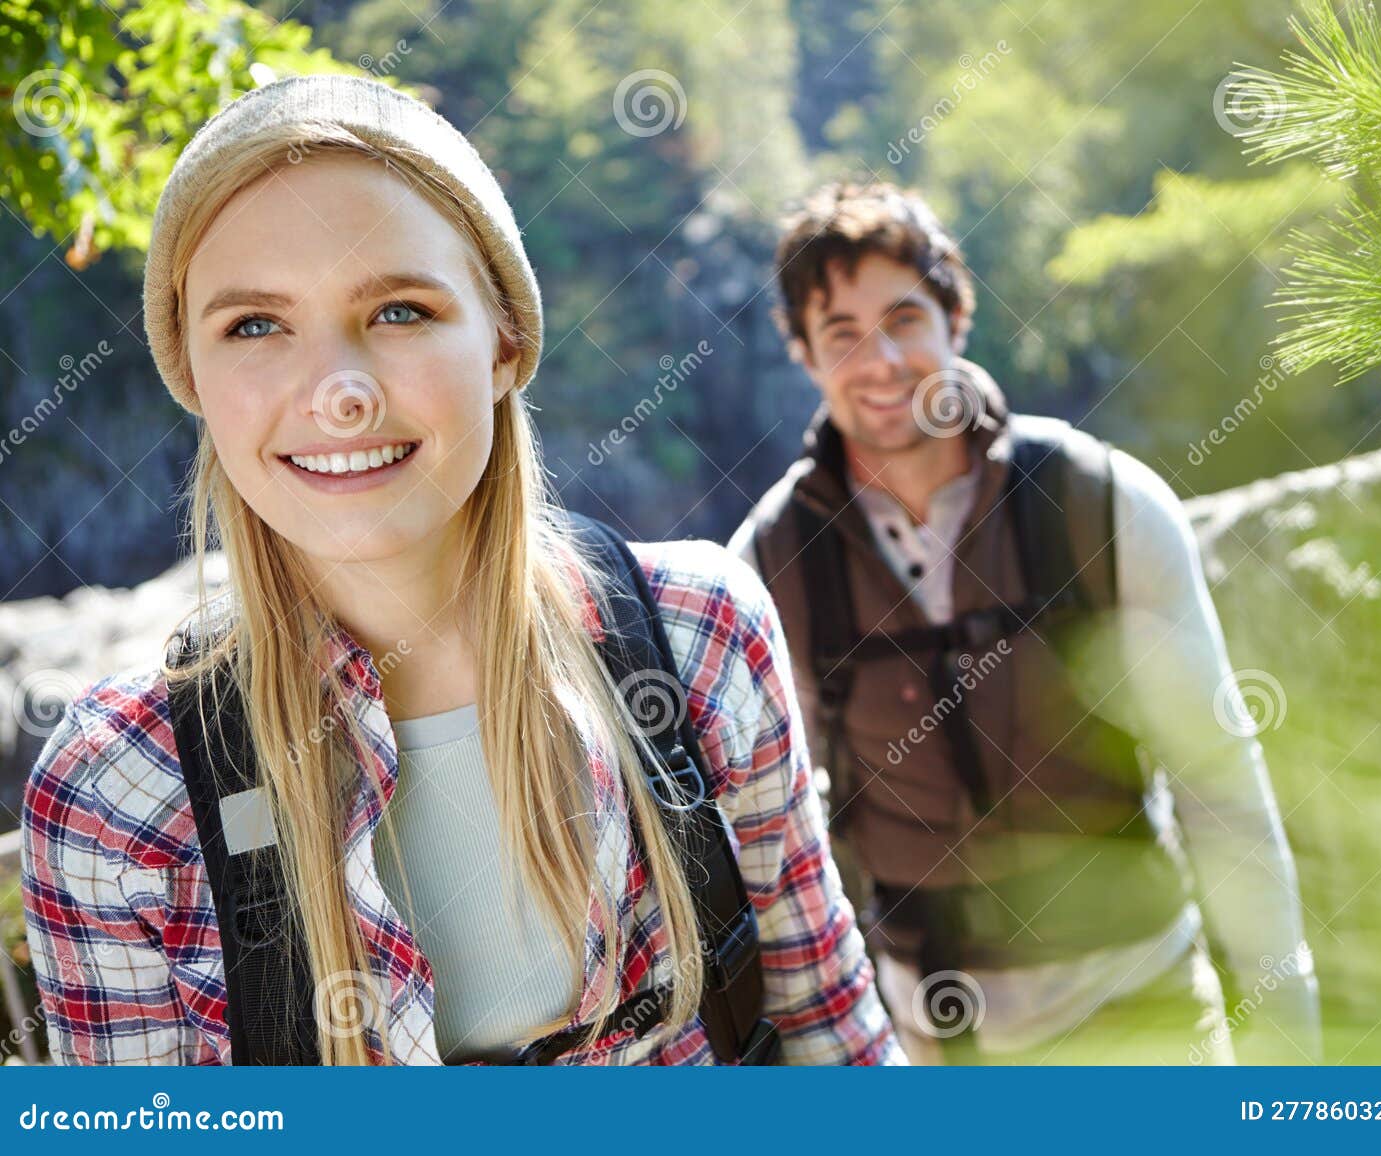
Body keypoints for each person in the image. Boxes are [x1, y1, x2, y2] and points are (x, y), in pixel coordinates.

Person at [19, 76, 901, 1067]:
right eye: (255, 325)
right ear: (195, 374)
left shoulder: (701, 638)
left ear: (504, 341)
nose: (340, 392)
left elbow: (839, 1042)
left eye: (398, 309)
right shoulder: (114, 795)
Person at [729, 180, 1322, 1065]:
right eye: (841, 334)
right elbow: (766, 847)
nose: (881, 360)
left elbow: (1220, 785)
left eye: (905, 318)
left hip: (1149, 1018)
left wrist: (1287, 1041)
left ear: (956, 318)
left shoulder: (1098, 503)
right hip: (932, 1044)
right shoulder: (771, 565)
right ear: (804, 356)